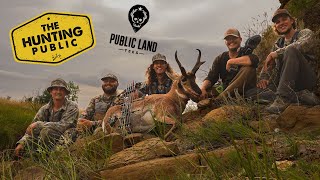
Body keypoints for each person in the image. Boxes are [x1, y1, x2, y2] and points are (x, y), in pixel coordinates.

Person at [258, 9, 319, 114]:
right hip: (287, 84)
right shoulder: (277, 44)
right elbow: (268, 64)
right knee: (254, 94)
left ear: (291, 21)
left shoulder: (305, 33)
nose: (281, 23)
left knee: (290, 50)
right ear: (275, 26)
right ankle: (299, 97)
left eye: (284, 19)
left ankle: (283, 98)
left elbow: (300, 45)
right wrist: (263, 77)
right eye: (277, 22)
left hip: (306, 79)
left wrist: (277, 53)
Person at [14, 78, 79, 157]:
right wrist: (22, 142)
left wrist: (39, 124)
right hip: (45, 139)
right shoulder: (44, 108)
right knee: (24, 146)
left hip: (65, 136)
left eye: (61, 89)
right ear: (51, 92)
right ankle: (32, 156)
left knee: (48, 131)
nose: (58, 92)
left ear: (65, 92)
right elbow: (31, 129)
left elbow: (64, 125)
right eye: (55, 89)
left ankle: (49, 156)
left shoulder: (72, 107)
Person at [198, 28, 259, 107]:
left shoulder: (246, 54)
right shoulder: (220, 58)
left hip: (244, 91)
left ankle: (218, 101)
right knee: (199, 93)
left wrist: (231, 61)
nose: (231, 41)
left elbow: (254, 60)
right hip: (226, 89)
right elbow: (211, 77)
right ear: (225, 42)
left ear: (240, 39)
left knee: (249, 68)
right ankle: (221, 99)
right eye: (228, 39)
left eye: (234, 38)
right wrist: (202, 88)